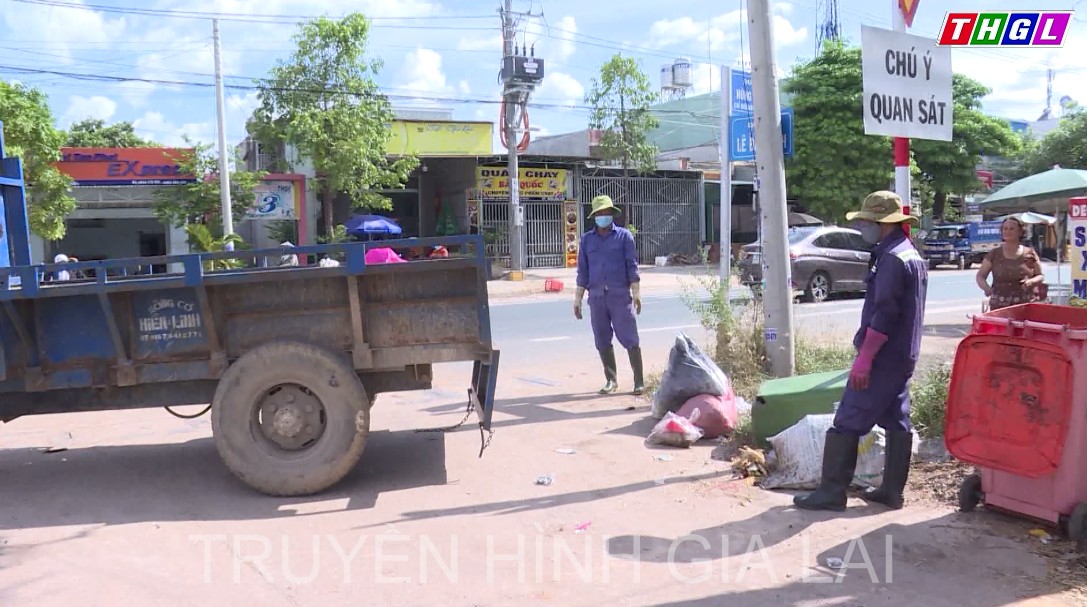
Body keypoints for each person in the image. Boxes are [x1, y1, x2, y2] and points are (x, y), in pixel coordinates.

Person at [794, 191, 928, 512]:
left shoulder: (892, 259)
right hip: (902, 355)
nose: (862, 226)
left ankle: (832, 492)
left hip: (882, 355)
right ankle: (891, 492)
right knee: (896, 420)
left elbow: (884, 314)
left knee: (847, 419)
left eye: (866, 221)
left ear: (883, 223)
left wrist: (865, 359)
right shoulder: (908, 253)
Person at [573, 195, 644, 395]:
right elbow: (583, 271)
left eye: (606, 212)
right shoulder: (587, 240)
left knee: (630, 337)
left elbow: (632, 265)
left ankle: (639, 381)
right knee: (602, 338)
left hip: (619, 296)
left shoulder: (624, 237)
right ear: (594, 216)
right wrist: (577, 298)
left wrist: (636, 292)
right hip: (596, 297)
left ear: (612, 214)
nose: (603, 216)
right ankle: (611, 380)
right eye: (600, 213)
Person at [974, 216, 1045, 310]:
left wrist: (1031, 282)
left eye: (1011, 229)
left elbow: (1040, 276)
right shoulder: (994, 254)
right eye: (1005, 229)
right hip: (999, 307)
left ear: (1020, 232)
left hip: (1024, 306)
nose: (1008, 231)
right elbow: (980, 276)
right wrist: (987, 288)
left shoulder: (1029, 253)